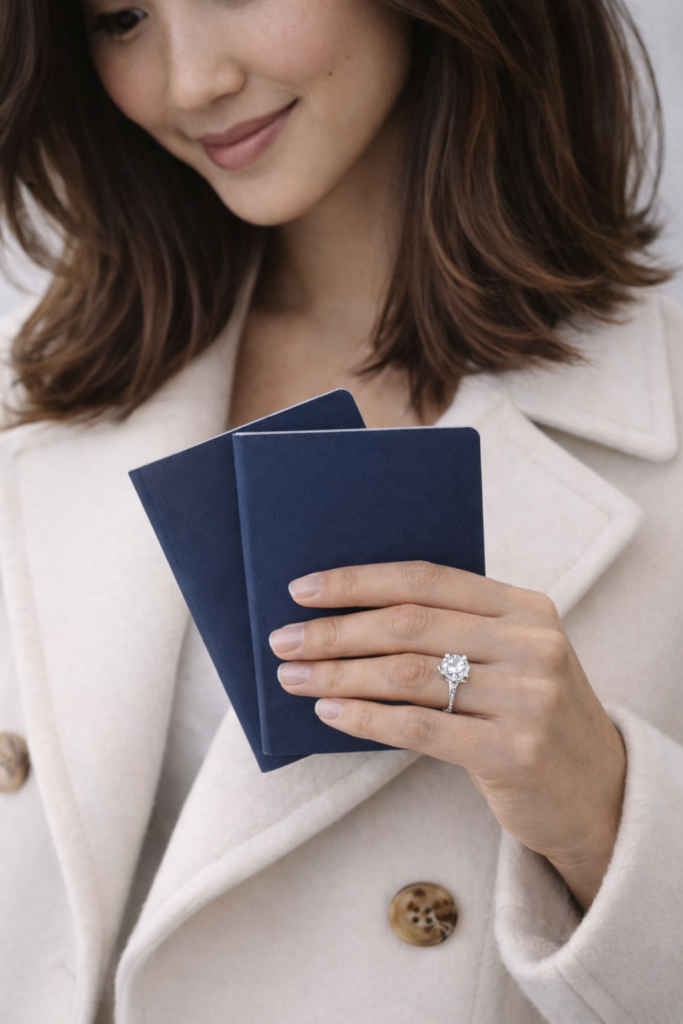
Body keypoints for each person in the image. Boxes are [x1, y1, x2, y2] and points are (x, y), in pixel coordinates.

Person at [0, 0, 681, 1021]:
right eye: (120, 16)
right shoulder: (33, 398)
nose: (189, 81)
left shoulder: (656, 431)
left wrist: (603, 812)